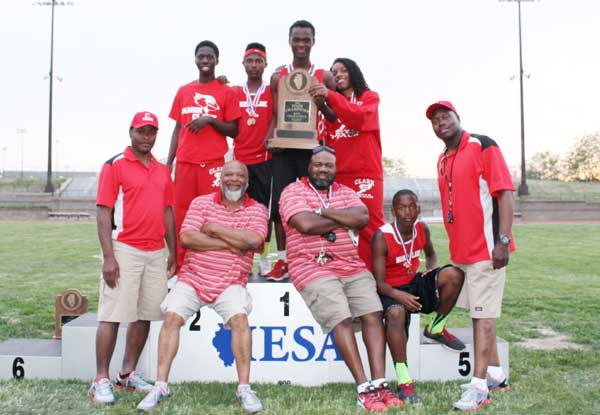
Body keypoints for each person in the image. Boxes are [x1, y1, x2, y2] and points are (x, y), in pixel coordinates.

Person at [137, 160, 269, 413]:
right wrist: (231, 244)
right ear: (220, 178)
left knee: (240, 320)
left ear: (247, 181)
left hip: (230, 281)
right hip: (193, 278)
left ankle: (244, 388)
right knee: (172, 317)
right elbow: (187, 238)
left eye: (240, 175)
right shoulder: (201, 203)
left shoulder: (257, 209)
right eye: (228, 174)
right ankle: (161, 385)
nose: (234, 179)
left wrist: (214, 229)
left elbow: (253, 240)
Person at [279, 146, 403, 412]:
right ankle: (363, 388)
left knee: (372, 313)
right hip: (311, 266)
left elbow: (362, 217)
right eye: (318, 165)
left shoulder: (346, 192)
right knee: (341, 317)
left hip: (351, 266)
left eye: (328, 166)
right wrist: (342, 219)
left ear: (335, 168)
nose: (323, 170)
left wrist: (322, 213)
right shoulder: (292, 191)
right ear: (309, 167)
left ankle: (380, 382)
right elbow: (305, 225)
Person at [426, 101, 515, 412]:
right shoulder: (443, 158)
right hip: (462, 252)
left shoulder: (482, 145)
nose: (440, 123)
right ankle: (496, 375)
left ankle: (478, 388)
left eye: (445, 117)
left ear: (457, 117)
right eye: (435, 121)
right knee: (480, 313)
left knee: (483, 316)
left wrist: (502, 241)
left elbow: (504, 192)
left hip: (486, 249)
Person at [90, 111, 177, 405]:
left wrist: (173, 251)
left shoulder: (163, 170)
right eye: (141, 131)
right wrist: (108, 257)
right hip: (125, 248)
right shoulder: (115, 165)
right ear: (131, 132)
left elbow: (167, 211)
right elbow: (103, 211)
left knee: (145, 315)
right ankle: (100, 378)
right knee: (112, 314)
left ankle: (127, 373)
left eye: (151, 132)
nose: (146, 137)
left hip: (155, 251)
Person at [371, 189, 465, 404]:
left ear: (418, 208)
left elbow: (430, 253)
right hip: (390, 289)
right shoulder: (382, 236)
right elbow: (378, 283)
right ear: (393, 210)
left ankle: (436, 327)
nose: (407, 212)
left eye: (412, 206)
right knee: (395, 312)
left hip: (413, 283)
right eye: (402, 207)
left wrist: (429, 270)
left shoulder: (421, 228)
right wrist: (400, 296)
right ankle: (404, 382)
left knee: (454, 275)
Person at [266, 19, 337, 281]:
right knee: (282, 206)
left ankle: (320, 255)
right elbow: (276, 114)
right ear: (289, 41)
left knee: (318, 204)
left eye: (306, 40)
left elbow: (333, 117)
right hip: (285, 148)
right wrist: (270, 136)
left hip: (314, 149)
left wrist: (321, 102)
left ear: (313, 42)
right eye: (296, 39)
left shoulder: (324, 76)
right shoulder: (278, 75)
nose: (301, 44)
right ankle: (283, 261)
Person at [167, 40, 241, 270]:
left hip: (212, 164)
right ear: (195, 59)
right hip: (186, 162)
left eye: (210, 56)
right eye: (201, 56)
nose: (205, 60)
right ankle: (179, 265)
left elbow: (234, 130)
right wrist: (169, 162)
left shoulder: (226, 92)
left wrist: (210, 120)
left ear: (217, 60)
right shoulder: (184, 91)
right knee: (182, 214)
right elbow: (178, 128)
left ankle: (210, 264)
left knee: (213, 216)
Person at [309, 57, 384, 270]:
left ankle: (378, 280)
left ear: (354, 72)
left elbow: (358, 119)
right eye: (334, 72)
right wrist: (322, 104)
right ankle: (349, 273)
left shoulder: (369, 97)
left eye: (343, 70)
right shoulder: (332, 105)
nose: (338, 74)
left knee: (370, 227)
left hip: (365, 174)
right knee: (341, 228)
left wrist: (329, 95)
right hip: (339, 176)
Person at [232, 42, 274, 277]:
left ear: (265, 64)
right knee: (237, 211)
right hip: (239, 161)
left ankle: (264, 257)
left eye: (259, 61)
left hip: (265, 160)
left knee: (263, 212)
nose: (254, 65)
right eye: (250, 61)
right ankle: (240, 256)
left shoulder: (271, 91)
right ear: (244, 64)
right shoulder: (234, 92)